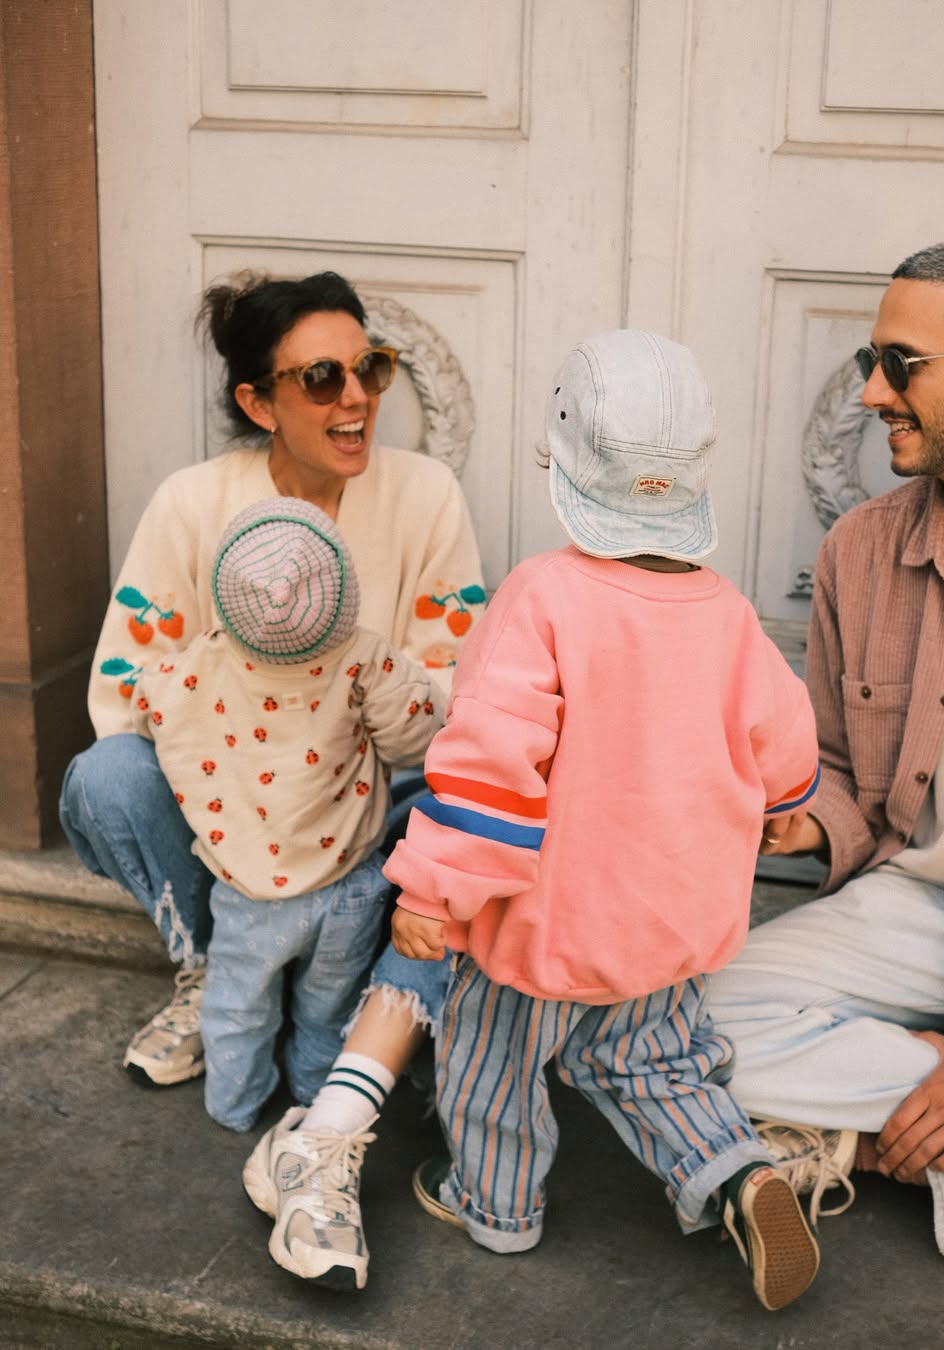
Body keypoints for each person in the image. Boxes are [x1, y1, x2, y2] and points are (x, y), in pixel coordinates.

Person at [59, 270, 485, 1287]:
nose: (357, 400)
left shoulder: (423, 494)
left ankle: (359, 1059)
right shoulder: (194, 504)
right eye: (323, 378)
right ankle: (210, 968)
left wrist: (347, 707)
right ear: (258, 402)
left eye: (369, 369)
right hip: (226, 818)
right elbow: (125, 683)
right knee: (100, 779)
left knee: (478, 814)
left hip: (373, 808)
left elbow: (451, 692)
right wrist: (241, 759)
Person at [384, 328, 824, 1311]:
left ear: (558, 455)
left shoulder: (542, 597)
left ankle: (495, 1204)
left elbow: (492, 766)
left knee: (492, 1062)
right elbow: (782, 734)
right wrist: (792, 810)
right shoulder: (725, 609)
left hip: (545, 921)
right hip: (668, 919)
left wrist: (434, 890)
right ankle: (734, 1170)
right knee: (660, 1059)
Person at [705, 238, 944, 1268]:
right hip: (918, 907)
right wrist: (795, 815)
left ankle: (877, 1130)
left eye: (901, 364)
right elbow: (833, 764)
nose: (872, 392)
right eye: (876, 362)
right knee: (677, 1018)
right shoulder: (861, 552)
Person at [129, 496, 444, 1131]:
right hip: (346, 887)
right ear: (345, 590)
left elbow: (148, 705)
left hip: (246, 893)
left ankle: (234, 1104)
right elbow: (417, 739)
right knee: (325, 1010)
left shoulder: (197, 665)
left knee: (236, 1006)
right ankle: (311, 1106)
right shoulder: (363, 660)